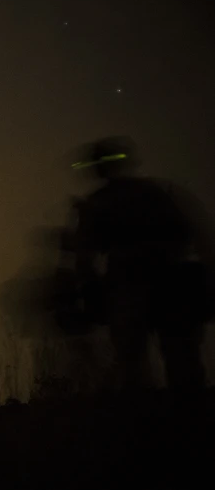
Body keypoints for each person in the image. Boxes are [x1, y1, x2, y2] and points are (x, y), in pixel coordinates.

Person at [71, 137, 214, 401]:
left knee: (135, 361)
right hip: (170, 283)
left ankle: (152, 423)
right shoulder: (158, 192)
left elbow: (84, 256)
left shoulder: (99, 203)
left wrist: (87, 288)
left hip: (133, 287)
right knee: (179, 360)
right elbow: (195, 234)